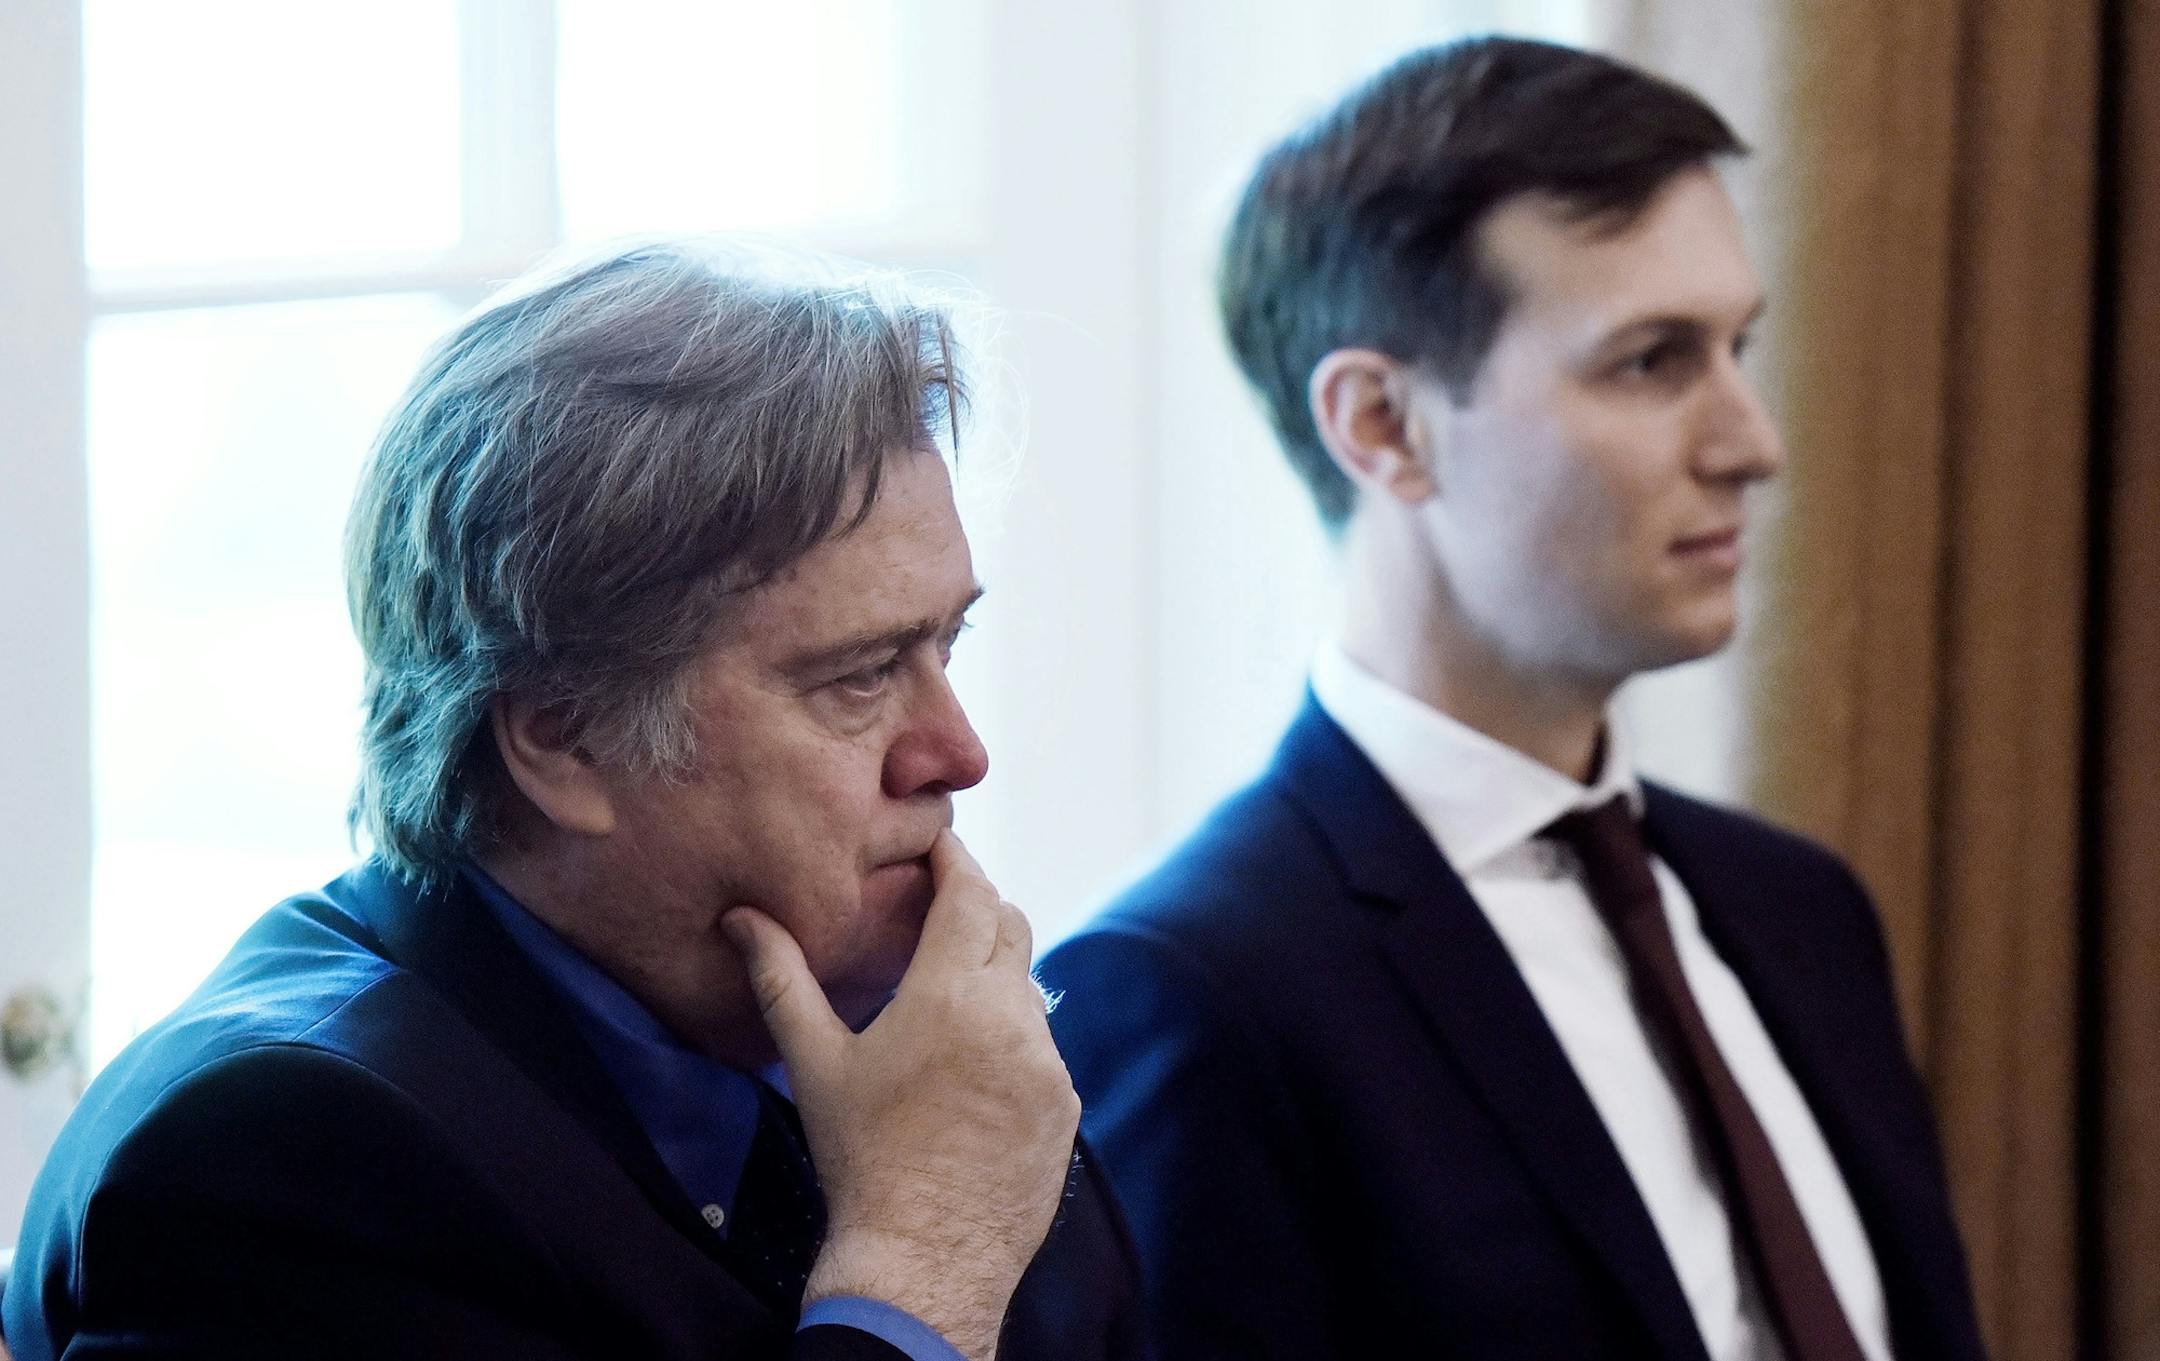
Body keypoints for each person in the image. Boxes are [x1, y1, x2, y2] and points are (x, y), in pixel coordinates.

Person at [3, 242, 1142, 1361]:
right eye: (860, 674)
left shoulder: (910, 1028)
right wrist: (916, 1271)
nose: (958, 750)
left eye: (948, 643)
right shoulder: (279, 1162)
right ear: (563, 735)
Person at [1039, 35, 1988, 1361]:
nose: (1753, 442)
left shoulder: (1802, 910)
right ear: (1380, 424)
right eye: (1652, 360)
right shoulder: (1188, 993)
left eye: (1737, 347)